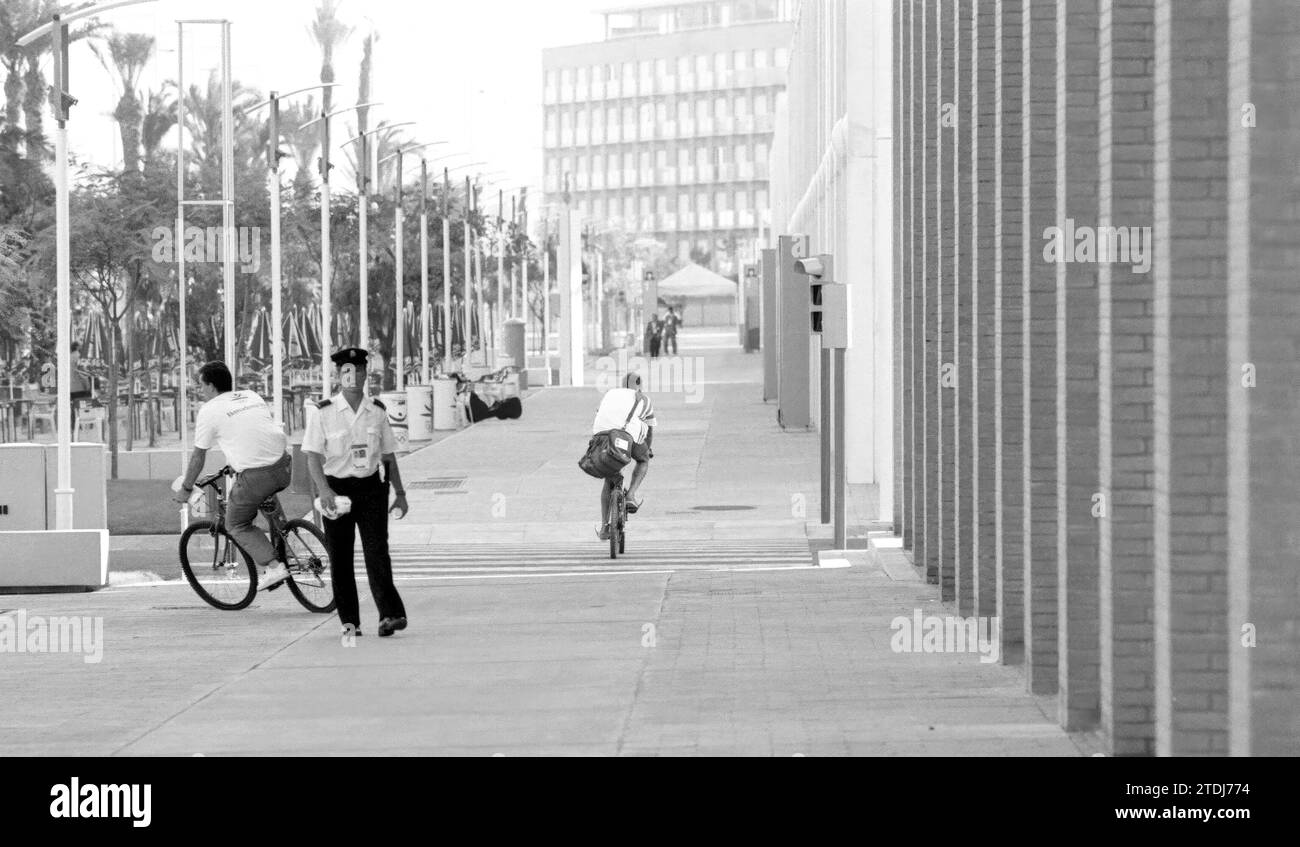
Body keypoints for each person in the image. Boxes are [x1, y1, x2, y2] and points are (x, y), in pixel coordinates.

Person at [302, 347, 410, 638]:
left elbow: (388, 456)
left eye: (359, 370)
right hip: (336, 489)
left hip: (372, 488)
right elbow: (312, 455)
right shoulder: (323, 412)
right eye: (347, 371)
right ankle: (351, 622)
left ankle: (390, 615)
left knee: (378, 553)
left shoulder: (376, 411)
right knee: (341, 557)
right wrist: (323, 491)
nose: (353, 376)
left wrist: (399, 492)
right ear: (338, 376)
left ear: (365, 375)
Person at [173, 361, 294, 591]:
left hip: (258, 476)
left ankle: (274, 566)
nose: (200, 390)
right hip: (284, 465)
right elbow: (250, 432)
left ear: (210, 386)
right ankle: (286, 548)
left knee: (236, 523)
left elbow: (198, 457)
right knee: (264, 493)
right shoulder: (251, 395)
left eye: (201, 385)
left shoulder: (209, 411)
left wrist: (186, 488)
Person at [591, 372, 656, 540]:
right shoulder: (644, 399)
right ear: (639, 386)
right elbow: (649, 431)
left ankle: (605, 526)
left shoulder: (610, 394)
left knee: (609, 478)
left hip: (602, 436)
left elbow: (599, 414)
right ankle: (630, 495)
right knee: (643, 460)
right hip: (628, 437)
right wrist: (647, 449)